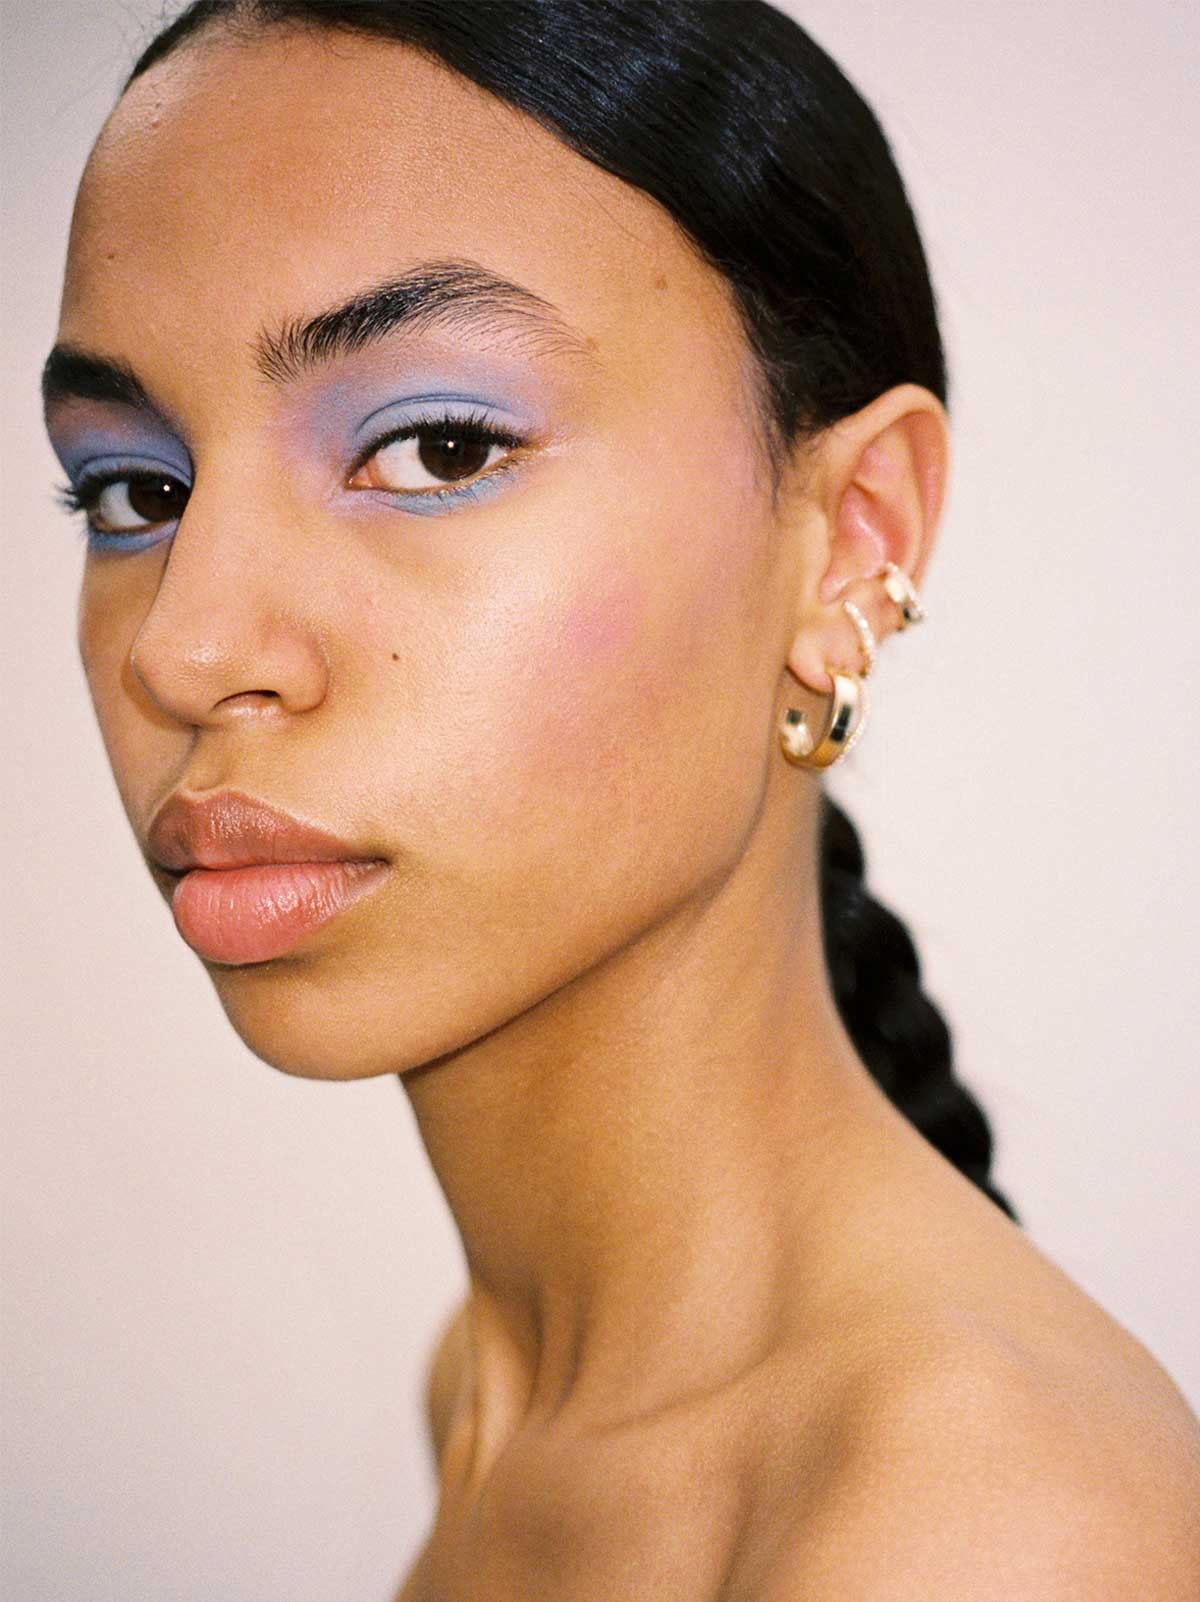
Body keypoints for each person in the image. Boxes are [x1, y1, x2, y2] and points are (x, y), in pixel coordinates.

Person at [40, 1, 1200, 1595]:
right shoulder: (493, 1387)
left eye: (440, 449)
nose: (184, 647)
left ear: (852, 540)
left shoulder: (981, 1529)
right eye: (136, 487)